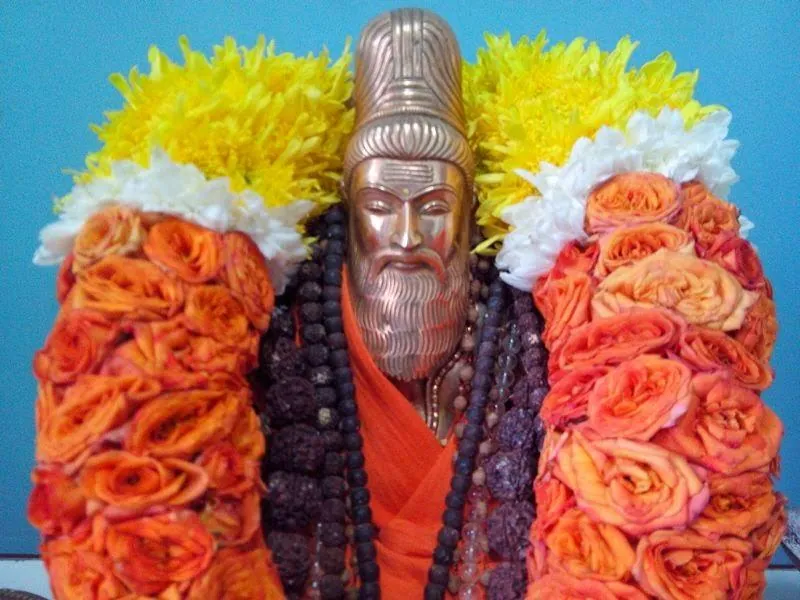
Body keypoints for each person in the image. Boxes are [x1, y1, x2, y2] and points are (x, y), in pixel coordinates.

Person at [259, 8, 545, 599]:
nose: (408, 237)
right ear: (347, 207)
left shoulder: (529, 333)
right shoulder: (284, 328)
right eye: (381, 206)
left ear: (469, 213)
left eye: (434, 207)